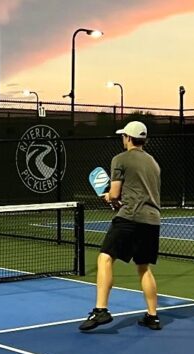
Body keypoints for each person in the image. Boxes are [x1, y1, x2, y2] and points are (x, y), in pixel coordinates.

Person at [79, 121, 162, 331]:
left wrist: (109, 197)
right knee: (144, 267)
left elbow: (115, 193)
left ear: (128, 138)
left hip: (129, 218)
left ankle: (101, 310)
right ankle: (153, 316)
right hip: (152, 220)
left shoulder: (120, 159)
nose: (122, 139)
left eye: (123, 136)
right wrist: (118, 200)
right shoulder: (154, 163)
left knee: (105, 257)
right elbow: (138, 192)